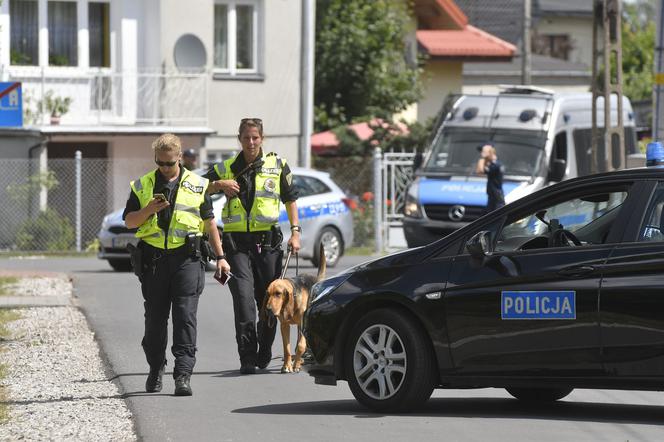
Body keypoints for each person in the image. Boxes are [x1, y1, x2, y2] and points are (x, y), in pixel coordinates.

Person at [123, 133, 230, 396]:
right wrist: (148, 210)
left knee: (185, 318)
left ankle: (183, 375)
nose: (165, 168)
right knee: (155, 322)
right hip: (155, 262)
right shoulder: (142, 185)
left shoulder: (197, 184)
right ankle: (156, 368)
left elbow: (209, 222)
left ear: (180, 157)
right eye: (160, 163)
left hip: (187, 260)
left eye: (169, 163)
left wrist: (221, 257)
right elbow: (129, 222)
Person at [204, 118, 300, 374]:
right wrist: (218, 185)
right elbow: (196, 188)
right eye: (246, 137)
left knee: (268, 301)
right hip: (236, 246)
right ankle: (247, 357)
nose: (251, 142)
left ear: (262, 138)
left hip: (268, 243)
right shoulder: (226, 167)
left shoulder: (277, 165)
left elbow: (291, 199)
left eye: (255, 137)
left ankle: (265, 349)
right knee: (244, 301)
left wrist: (295, 232)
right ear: (239, 138)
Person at [476, 142, 505, 212]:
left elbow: (480, 171)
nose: (482, 153)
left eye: (484, 152)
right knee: (489, 212)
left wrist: (482, 158)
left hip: (496, 194)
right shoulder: (493, 163)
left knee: (498, 212)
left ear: (490, 153)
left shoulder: (496, 165)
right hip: (493, 193)